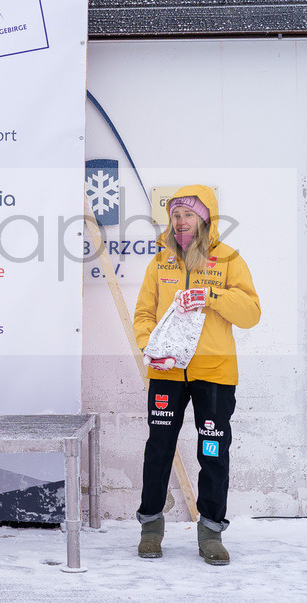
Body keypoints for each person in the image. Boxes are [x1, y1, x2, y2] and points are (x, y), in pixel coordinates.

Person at [133, 185, 260, 565]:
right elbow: (144, 314)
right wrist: (150, 348)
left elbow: (251, 313)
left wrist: (211, 296)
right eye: (175, 214)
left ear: (205, 218)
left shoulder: (229, 259)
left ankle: (211, 532)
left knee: (213, 452)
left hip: (215, 373)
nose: (180, 221)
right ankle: (150, 528)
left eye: (188, 213)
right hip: (167, 372)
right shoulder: (161, 262)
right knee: (159, 449)